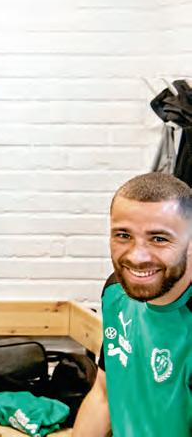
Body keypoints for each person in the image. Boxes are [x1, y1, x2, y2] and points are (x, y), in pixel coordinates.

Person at [73, 172, 192, 436]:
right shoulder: (116, 291)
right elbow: (104, 394)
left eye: (159, 239)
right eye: (123, 235)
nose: (137, 257)